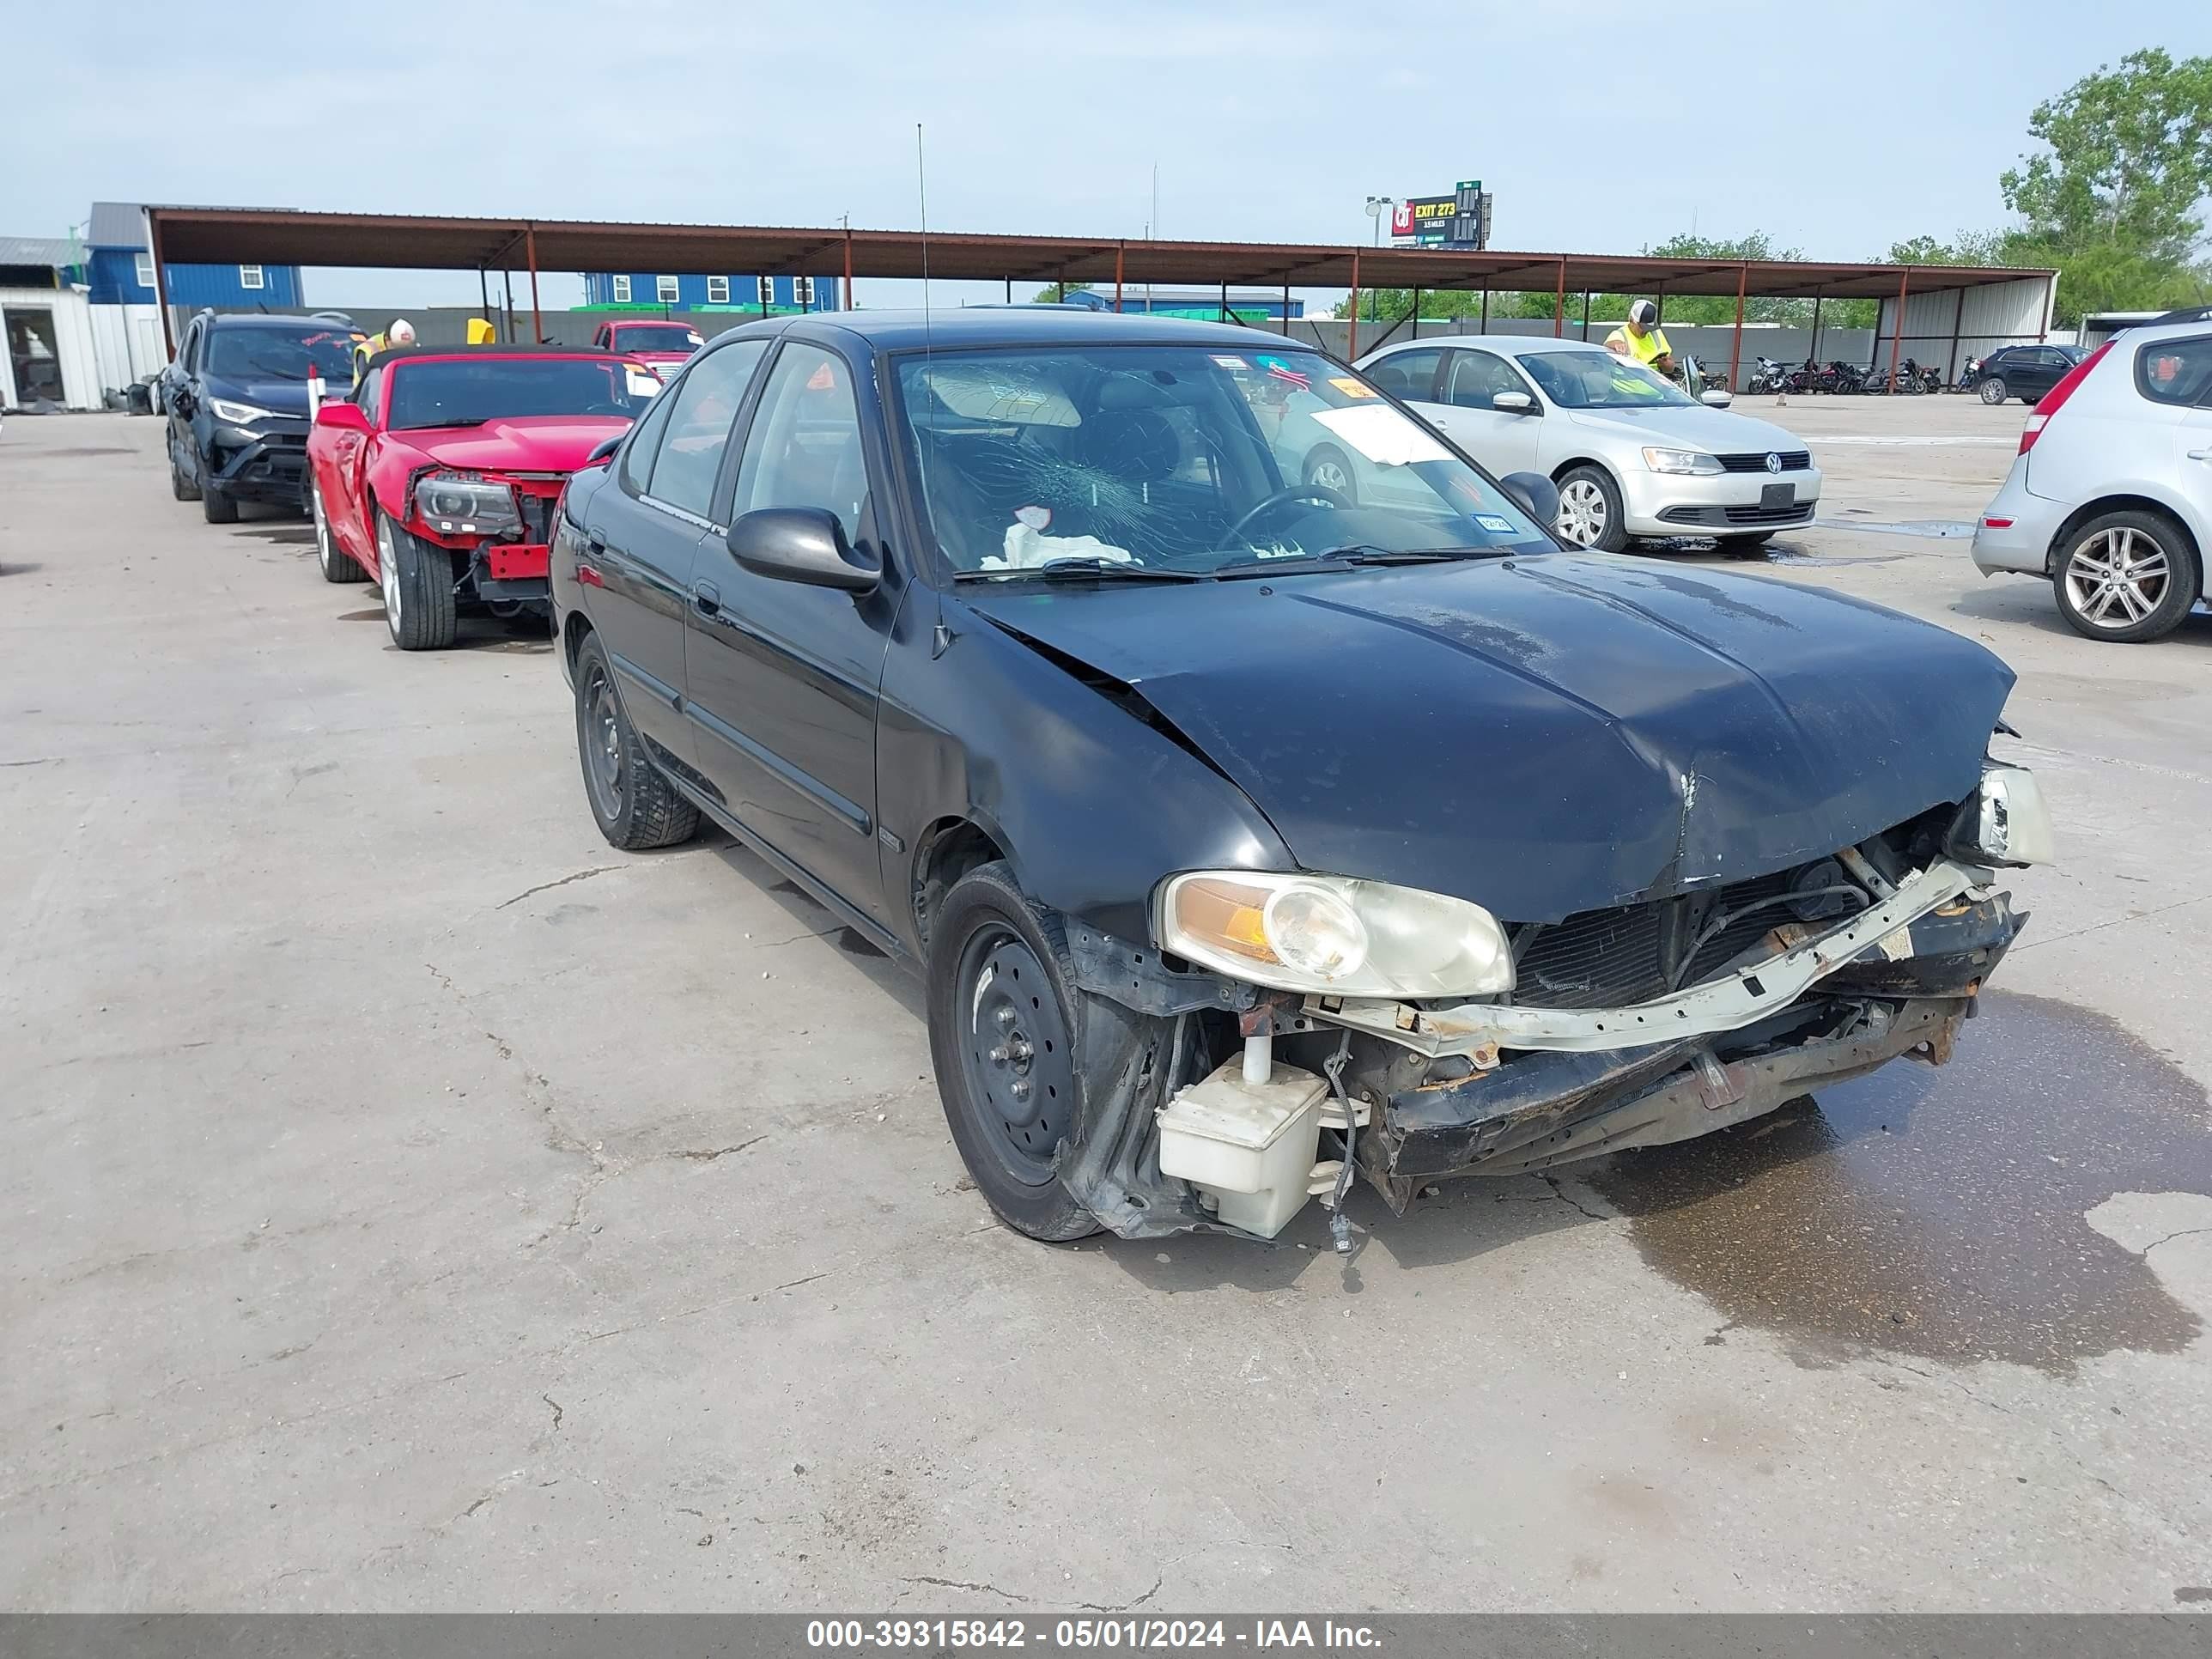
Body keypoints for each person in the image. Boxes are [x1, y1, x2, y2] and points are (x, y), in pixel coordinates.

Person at [1604, 299, 1674, 377]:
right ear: (1632, 321)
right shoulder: (1620, 334)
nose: (1646, 331)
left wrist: (1666, 365)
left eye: (1649, 328)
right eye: (1643, 327)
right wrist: (1616, 345)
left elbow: (1670, 368)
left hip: (1653, 387)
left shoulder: (1656, 334)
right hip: (1624, 389)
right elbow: (1609, 344)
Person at [352, 318, 418, 385]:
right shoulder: (368, 349)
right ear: (387, 339)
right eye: (398, 347)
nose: (401, 351)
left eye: (406, 348)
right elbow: (367, 383)